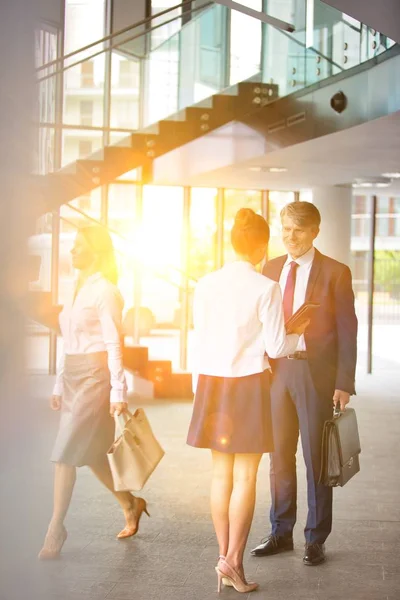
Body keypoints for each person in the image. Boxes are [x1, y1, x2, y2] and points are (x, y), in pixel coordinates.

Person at [187, 208, 308, 593]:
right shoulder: (264, 287)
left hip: (212, 384)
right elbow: (276, 345)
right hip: (249, 386)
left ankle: (224, 559)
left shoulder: (205, 284)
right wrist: (300, 336)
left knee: (220, 476)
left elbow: (200, 337)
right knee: (246, 476)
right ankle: (233, 561)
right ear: (261, 246)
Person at [251, 201, 357, 566]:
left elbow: (348, 330)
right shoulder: (271, 268)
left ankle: (315, 538)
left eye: (298, 230)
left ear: (315, 231)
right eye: (285, 230)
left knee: (316, 459)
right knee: (278, 457)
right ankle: (281, 532)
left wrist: (344, 382)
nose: (290, 237)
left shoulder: (335, 272)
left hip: (316, 375)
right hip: (277, 374)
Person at [38, 225, 149, 560]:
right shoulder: (77, 288)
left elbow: (114, 343)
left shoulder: (106, 291)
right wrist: (59, 383)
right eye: (72, 246)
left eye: (79, 246)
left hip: (95, 379)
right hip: (73, 376)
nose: (72, 251)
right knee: (94, 454)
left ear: (96, 251)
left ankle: (56, 527)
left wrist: (119, 390)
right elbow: (67, 341)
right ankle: (130, 503)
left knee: (64, 453)